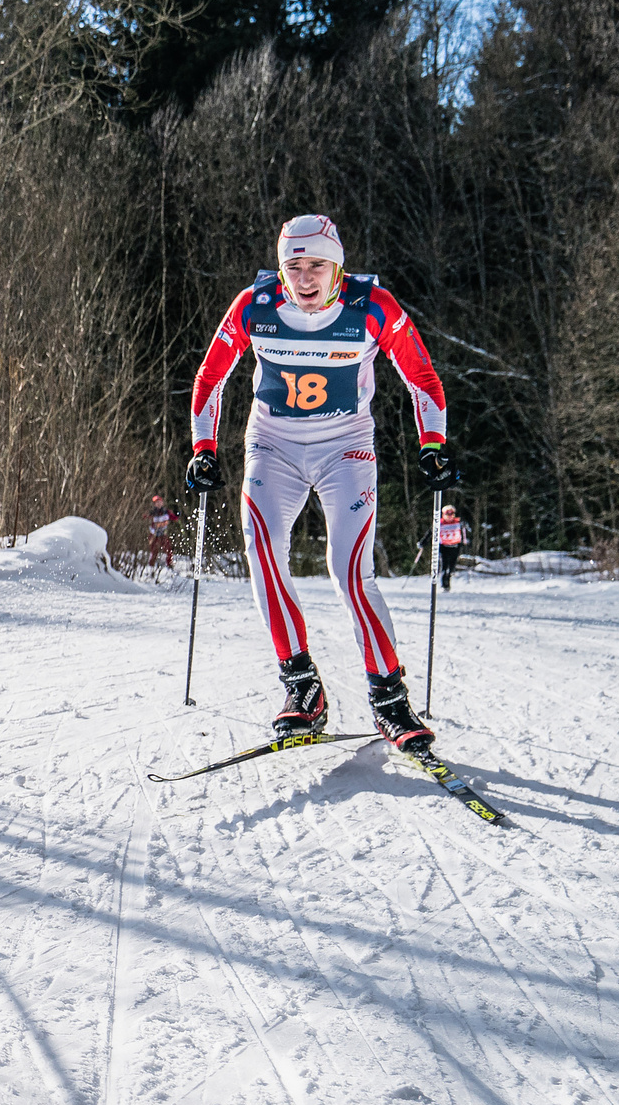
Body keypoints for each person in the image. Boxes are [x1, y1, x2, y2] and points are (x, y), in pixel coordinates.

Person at [186, 213, 460, 751]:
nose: (305, 278)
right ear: (281, 268)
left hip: (346, 446)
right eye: (294, 266)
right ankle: (302, 686)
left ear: (339, 268)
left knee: (348, 568)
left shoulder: (372, 309)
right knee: (261, 552)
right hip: (273, 445)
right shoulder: (254, 306)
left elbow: (420, 375)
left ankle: (390, 700)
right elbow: (211, 375)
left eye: (318, 265)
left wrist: (433, 445)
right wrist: (203, 448)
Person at [434, 504, 468, 590]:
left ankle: (448, 581)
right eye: (447, 514)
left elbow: (464, 534)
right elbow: (431, 533)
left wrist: (464, 543)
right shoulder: (439, 523)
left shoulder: (458, 522)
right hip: (444, 547)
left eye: (452, 514)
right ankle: (444, 584)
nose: (450, 516)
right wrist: (423, 542)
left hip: (455, 547)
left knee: (452, 567)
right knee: (444, 566)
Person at [144, 494, 175, 572]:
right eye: (156, 503)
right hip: (154, 535)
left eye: (160, 502)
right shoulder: (152, 512)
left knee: (168, 550)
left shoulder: (166, 512)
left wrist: (177, 515)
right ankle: (151, 567)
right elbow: (144, 517)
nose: (158, 504)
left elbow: (174, 518)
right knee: (154, 551)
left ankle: (169, 565)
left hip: (163, 534)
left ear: (162, 503)